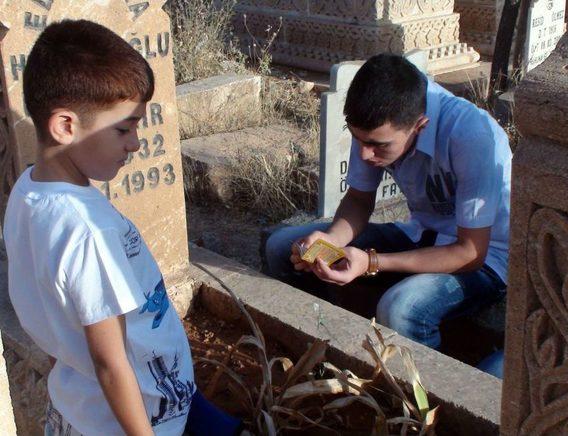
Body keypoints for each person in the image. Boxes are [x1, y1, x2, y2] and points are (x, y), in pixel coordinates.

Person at [3, 20, 241, 436]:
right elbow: (111, 364)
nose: (134, 143)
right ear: (65, 126)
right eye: (123, 128)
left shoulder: (29, 189)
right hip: (139, 415)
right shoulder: (88, 231)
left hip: (97, 401)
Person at [265, 53, 511, 352]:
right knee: (280, 248)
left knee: (401, 310)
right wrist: (328, 242)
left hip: (486, 260)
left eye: (378, 146)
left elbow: (470, 252)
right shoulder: (377, 125)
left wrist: (371, 263)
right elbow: (358, 200)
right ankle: (326, 352)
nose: (366, 155)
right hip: (421, 235)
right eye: (359, 140)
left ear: (420, 126)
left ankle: (417, 394)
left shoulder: (471, 135)